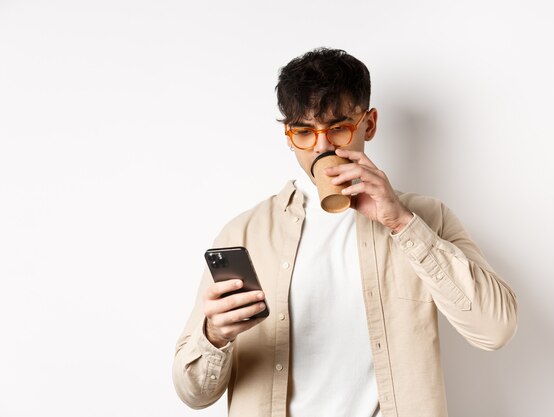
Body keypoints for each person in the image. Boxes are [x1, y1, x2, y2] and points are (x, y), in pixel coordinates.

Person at [172, 48, 518, 417]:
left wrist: (401, 223)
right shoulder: (245, 233)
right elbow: (193, 393)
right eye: (304, 132)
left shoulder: (428, 217)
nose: (322, 146)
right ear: (289, 136)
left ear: (368, 124)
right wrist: (215, 336)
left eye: (338, 128)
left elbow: (495, 330)